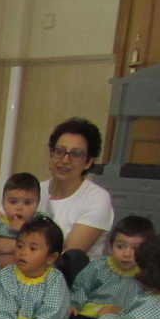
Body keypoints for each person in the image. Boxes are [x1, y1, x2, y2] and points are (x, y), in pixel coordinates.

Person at [39, 117, 115, 286]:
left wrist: (8, 246)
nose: (65, 160)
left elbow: (67, 259)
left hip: (72, 288)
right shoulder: (35, 190)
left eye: (76, 154)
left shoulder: (97, 198)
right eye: (59, 151)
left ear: (88, 162)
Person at [67, 215, 154, 319]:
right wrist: (75, 304)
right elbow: (81, 286)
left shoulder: (146, 276)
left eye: (135, 249)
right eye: (120, 246)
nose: (126, 254)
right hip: (91, 315)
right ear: (110, 247)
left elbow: (147, 304)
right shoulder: (99, 266)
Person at [0, 172, 48, 269]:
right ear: (3, 203)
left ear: (37, 204)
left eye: (27, 203)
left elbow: (47, 241)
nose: (19, 208)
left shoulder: (39, 221)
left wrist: (25, 228)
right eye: (13, 202)